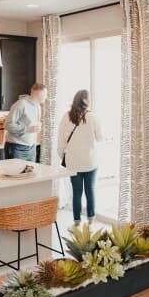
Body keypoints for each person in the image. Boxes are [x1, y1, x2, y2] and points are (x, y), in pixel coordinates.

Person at [57, 89, 102, 226]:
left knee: (76, 193)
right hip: (89, 161)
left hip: (73, 162)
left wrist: (64, 157)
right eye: (89, 98)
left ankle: (76, 222)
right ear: (84, 100)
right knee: (90, 191)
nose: (91, 100)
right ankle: (91, 221)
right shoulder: (93, 117)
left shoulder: (66, 116)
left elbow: (61, 141)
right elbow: (100, 137)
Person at [3, 83, 47, 161]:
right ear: (38, 94)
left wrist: (37, 127)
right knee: (16, 173)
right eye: (45, 94)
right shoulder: (20, 104)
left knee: (31, 173)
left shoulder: (38, 106)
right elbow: (7, 125)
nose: (46, 97)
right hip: (16, 148)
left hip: (32, 148)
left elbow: (30, 124)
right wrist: (28, 129)